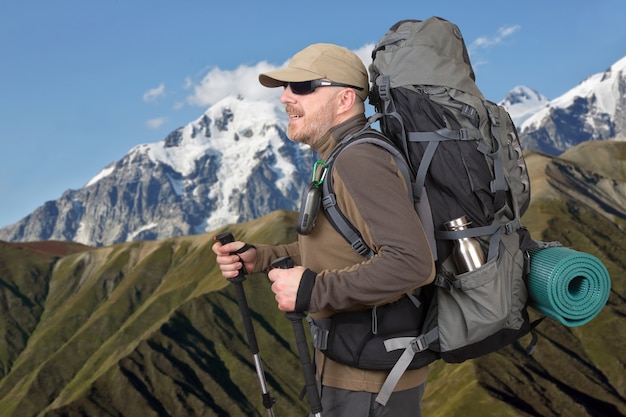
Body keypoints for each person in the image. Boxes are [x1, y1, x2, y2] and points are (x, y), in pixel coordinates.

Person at [212, 43, 435, 417]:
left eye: (302, 87)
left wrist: (314, 290)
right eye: (286, 88)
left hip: (369, 382)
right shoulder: (339, 156)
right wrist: (262, 258)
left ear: (345, 98)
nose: (285, 97)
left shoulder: (358, 159)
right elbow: (348, 247)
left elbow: (413, 264)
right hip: (359, 365)